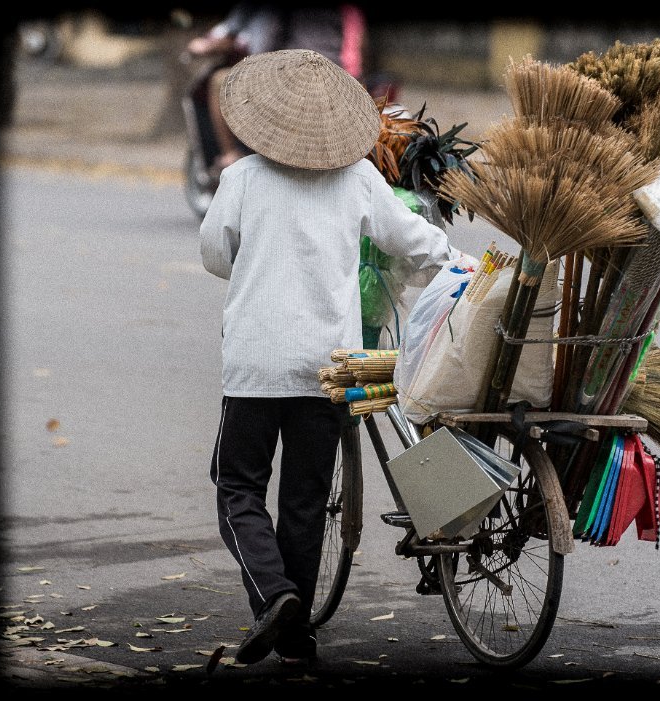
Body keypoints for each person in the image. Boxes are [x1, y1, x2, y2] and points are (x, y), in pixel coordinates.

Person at [199, 49, 457, 666]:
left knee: (236, 486)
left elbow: (214, 253)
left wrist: (255, 270)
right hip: (328, 368)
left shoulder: (242, 179)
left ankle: (276, 596)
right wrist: (463, 268)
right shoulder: (358, 179)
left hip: (257, 366)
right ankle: (297, 638)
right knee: (306, 500)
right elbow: (414, 242)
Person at [187, 2, 367, 172]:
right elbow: (354, 54)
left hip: (293, 73)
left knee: (220, 81)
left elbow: (267, 41)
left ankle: (230, 155)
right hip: (339, 77)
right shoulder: (349, 10)